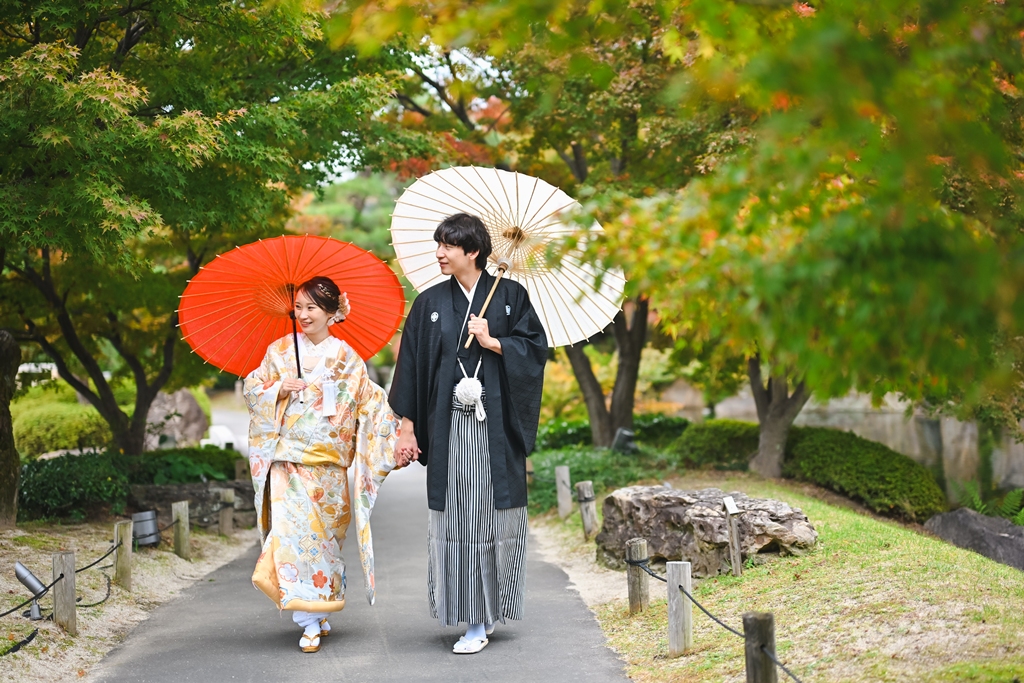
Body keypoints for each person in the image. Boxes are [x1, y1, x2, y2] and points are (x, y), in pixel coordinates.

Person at [389, 212, 547, 654]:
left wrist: (495, 341)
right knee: (460, 518)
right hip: (449, 425)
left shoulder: (511, 295)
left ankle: (487, 611)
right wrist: (407, 428)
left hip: (495, 426)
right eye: (438, 245)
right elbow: (413, 368)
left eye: (447, 246)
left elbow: (535, 352)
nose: (439, 253)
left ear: (472, 251)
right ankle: (473, 618)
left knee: (494, 516)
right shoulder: (429, 303)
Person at [244, 276, 398, 653]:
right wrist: (278, 389)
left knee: (324, 540)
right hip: (287, 462)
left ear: (331, 312)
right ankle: (309, 620)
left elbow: (370, 405)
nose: (303, 314)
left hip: (327, 468)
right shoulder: (279, 351)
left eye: (312, 308)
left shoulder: (347, 359)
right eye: (298, 307)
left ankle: (320, 601)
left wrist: (397, 438)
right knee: (292, 535)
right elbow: (252, 387)